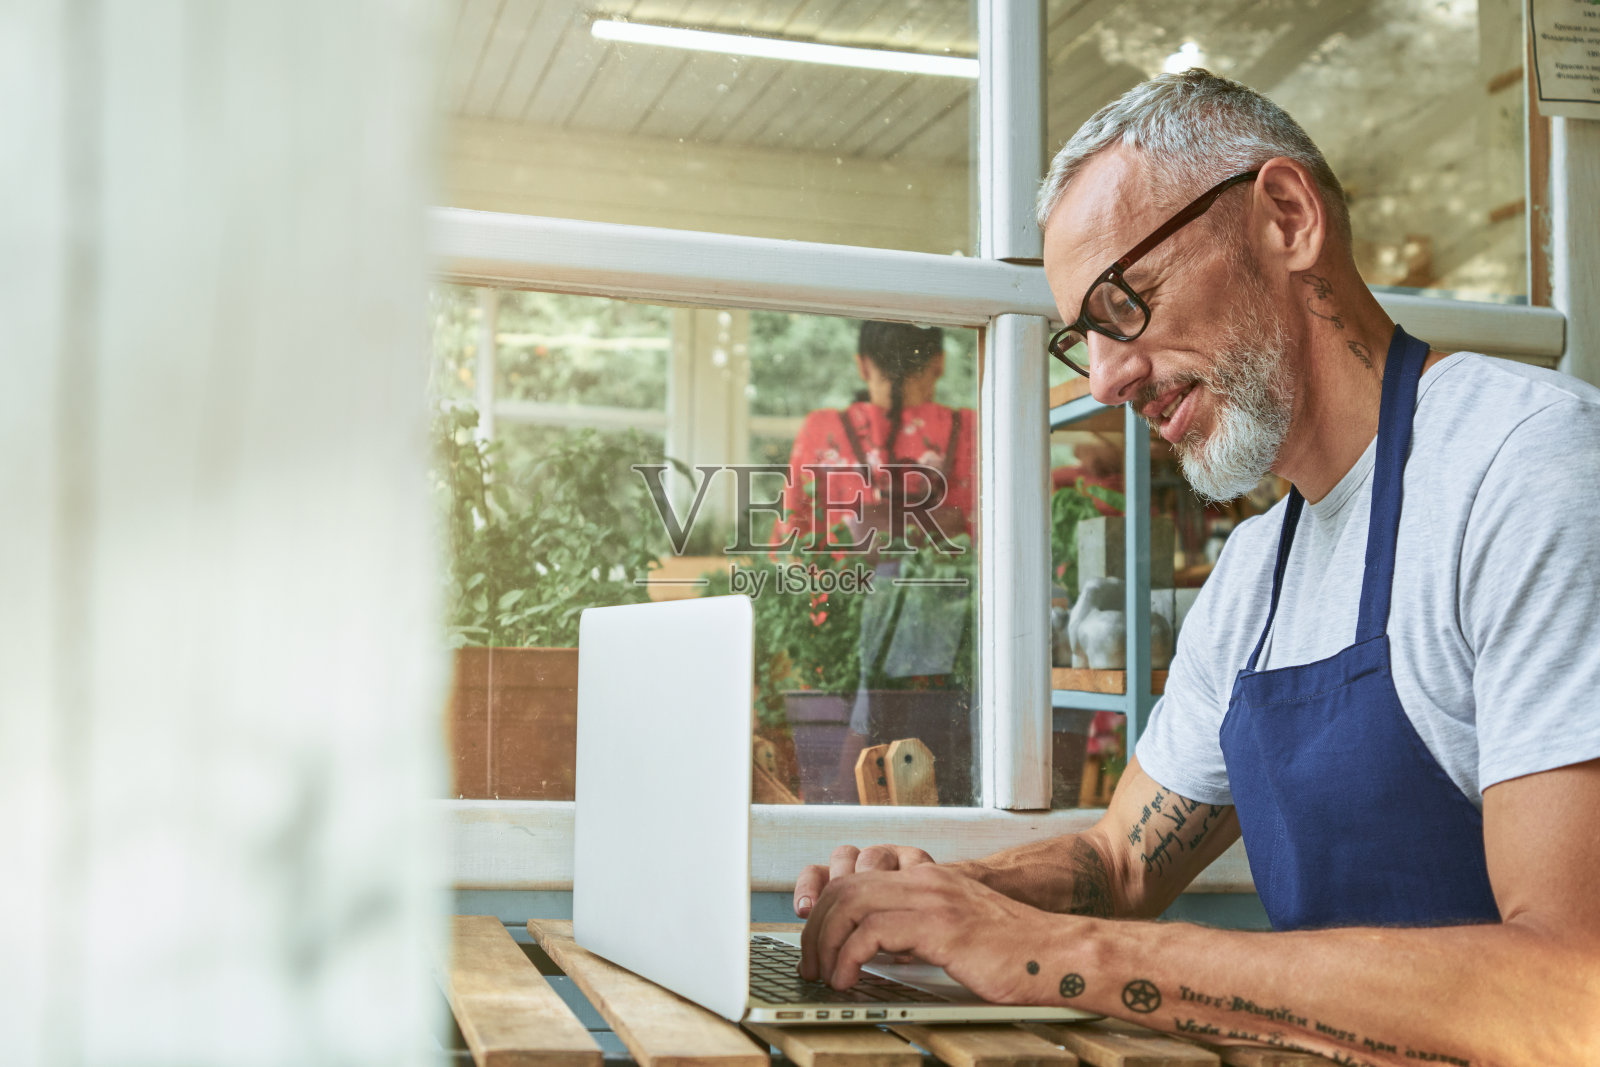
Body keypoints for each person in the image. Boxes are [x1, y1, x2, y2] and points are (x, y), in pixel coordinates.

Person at [791, 71, 1600, 1064]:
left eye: (1122, 301)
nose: (1104, 377)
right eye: (1079, 339)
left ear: (1286, 217)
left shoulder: (1531, 469)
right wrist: (947, 897)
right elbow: (1115, 864)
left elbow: (1577, 990)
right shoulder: (1259, 565)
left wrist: (1056, 951)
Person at [775, 321, 978, 803]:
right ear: (938, 364)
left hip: (835, 645)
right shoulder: (969, 429)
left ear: (862, 364)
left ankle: (840, 808)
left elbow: (788, 540)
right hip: (949, 651)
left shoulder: (823, 429)